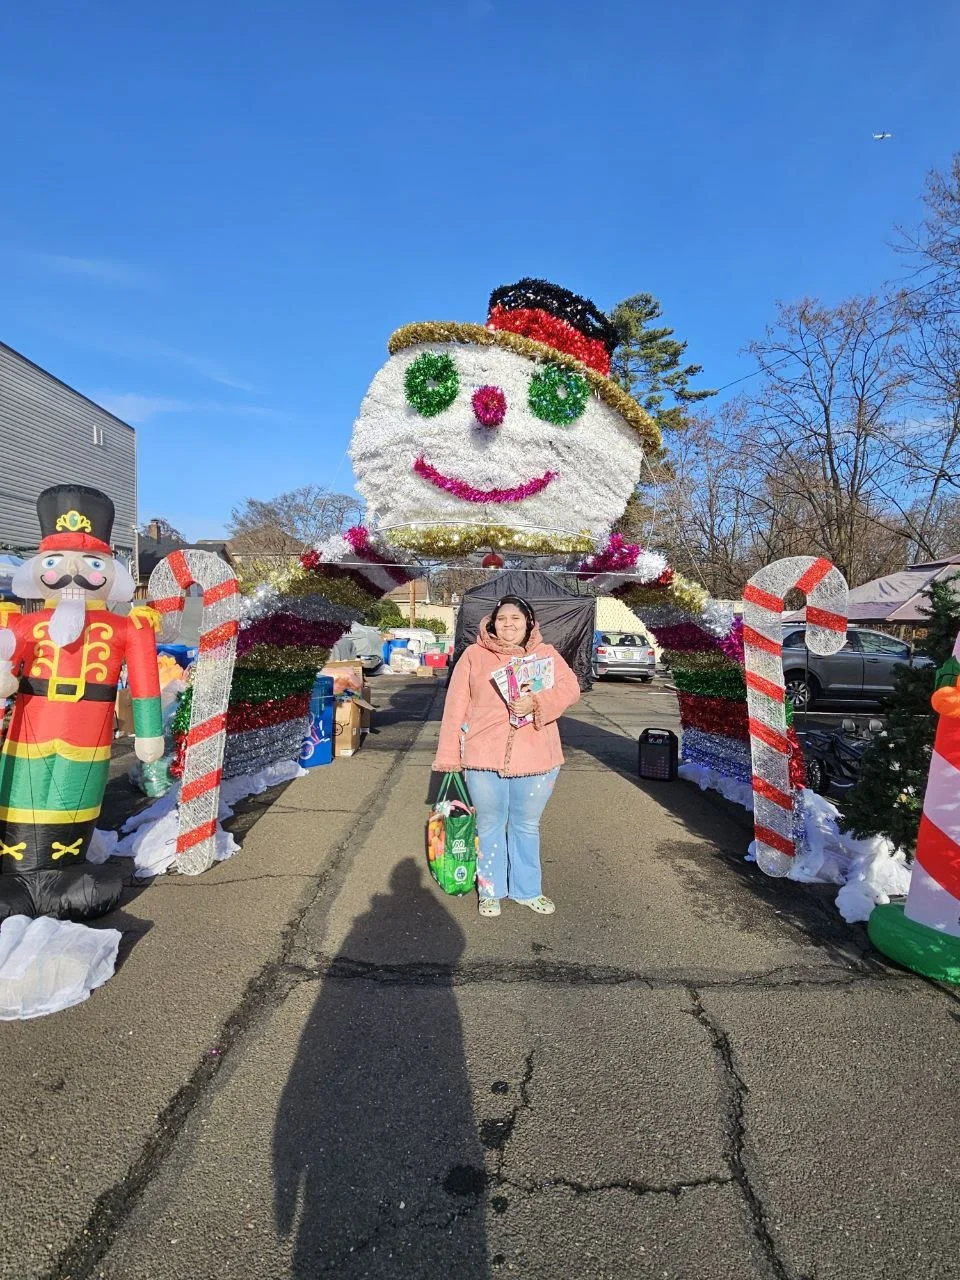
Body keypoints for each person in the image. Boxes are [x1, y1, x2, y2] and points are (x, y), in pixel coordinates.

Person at [433, 596, 580, 918]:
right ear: (492, 622)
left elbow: (571, 689)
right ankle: (490, 890)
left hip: (538, 757)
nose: (508, 624)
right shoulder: (474, 655)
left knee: (527, 825)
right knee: (488, 825)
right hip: (483, 757)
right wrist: (449, 757)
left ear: (529, 622)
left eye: (516, 618)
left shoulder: (547, 654)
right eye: (502, 619)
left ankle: (528, 890)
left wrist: (539, 702)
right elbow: (455, 707)